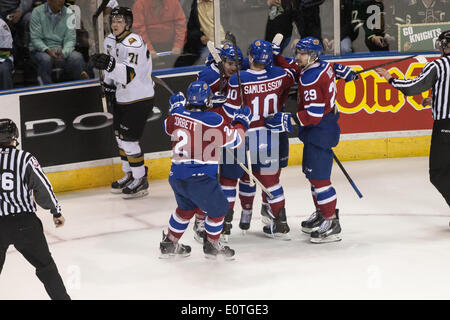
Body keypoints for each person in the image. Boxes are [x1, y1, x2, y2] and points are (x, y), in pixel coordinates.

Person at [270, 37, 350, 243]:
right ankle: (323, 213)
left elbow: (313, 115)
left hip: (320, 130)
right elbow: (328, 67)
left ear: (313, 55)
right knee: (312, 176)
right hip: (320, 129)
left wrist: (287, 120)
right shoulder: (323, 66)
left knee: (321, 181)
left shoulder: (311, 78)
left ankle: (331, 221)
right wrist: (277, 56)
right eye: (297, 52)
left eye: (301, 53)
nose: (297, 57)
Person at [160, 80, 252, 259]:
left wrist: (175, 108)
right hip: (200, 178)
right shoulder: (213, 119)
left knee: (185, 209)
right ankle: (212, 246)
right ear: (207, 101)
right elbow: (236, 140)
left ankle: (169, 244)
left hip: (177, 176)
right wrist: (242, 122)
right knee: (219, 210)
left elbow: (167, 126)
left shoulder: (177, 115)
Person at [223, 39, 295, 240]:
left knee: (231, 180)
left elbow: (230, 112)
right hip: (269, 136)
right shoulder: (280, 75)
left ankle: (226, 225)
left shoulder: (238, 78)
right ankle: (281, 223)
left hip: (242, 137)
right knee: (272, 182)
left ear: (251, 57)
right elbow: (291, 74)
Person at [376, 30, 450, 210]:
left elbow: (413, 87)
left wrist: (390, 79)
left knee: (439, 173)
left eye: (442, 44)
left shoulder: (439, 65)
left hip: (446, 126)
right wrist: (435, 100)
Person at [0, 119, 70, 300]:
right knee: (46, 267)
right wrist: (55, 211)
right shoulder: (25, 158)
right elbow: (42, 188)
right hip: (25, 224)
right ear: (14, 137)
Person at [90, 6, 154, 199]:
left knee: (129, 140)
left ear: (128, 24)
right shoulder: (110, 40)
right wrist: (108, 85)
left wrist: (109, 64)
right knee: (120, 138)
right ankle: (129, 174)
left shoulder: (134, 43)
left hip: (139, 97)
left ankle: (140, 179)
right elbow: (112, 69)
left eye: (120, 21)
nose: (115, 24)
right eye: (113, 20)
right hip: (122, 96)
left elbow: (129, 74)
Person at [29, 0, 88, 84]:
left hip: (61, 50)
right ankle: (47, 91)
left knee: (77, 58)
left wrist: (64, 52)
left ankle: (82, 90)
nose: (61, 1)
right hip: (40, 50)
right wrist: (48, 50)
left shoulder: (69, 13)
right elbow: (35, 39)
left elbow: (70, 39)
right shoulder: (37, 12)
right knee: (46, 59)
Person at [132, 0, 186, 68]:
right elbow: (138, 29)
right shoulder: (139, 4)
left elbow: (180, 25)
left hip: (171, 45)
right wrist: (148, 48)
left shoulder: (174, 2)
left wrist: (178, 45)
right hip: (147, 46)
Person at [174, 0, 225, 67]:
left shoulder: (223, 3)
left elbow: (234, 24)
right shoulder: (190, 4)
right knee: (205, 61)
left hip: (224, 41)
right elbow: (188, 28)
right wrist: (200, 36)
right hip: (205, 45)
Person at [0, 17, 14, 90]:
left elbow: (7, 51)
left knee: (3, 70)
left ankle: (8, 99)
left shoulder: (2, 25)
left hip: (3, 58)